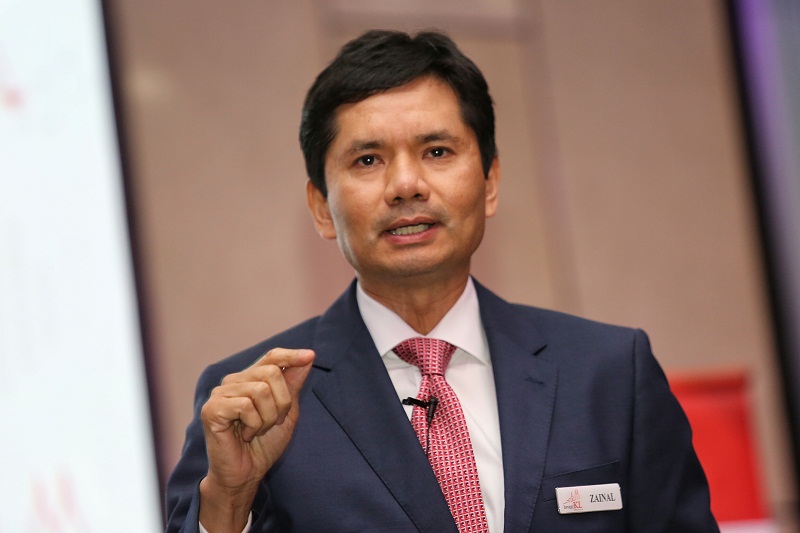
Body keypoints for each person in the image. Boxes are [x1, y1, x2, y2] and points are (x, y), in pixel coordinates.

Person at [164, 29, 718, 532]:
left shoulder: (609, 373)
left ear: (490, 181)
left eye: (436, 151)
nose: (406, 185)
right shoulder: (259, 399)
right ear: (321, 207)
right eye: (367, 160)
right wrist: (228, 500)